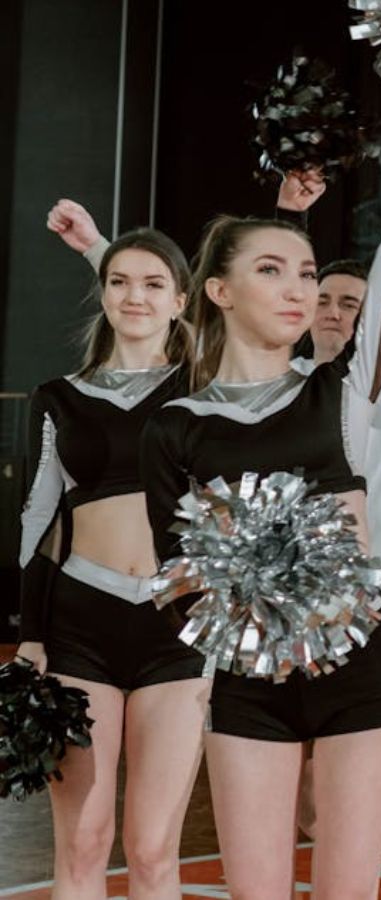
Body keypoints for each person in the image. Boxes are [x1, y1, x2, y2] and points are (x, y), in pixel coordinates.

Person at [138, 51, 381, 898]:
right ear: (215, 290)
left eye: (309, 275)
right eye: (271, 272)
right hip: (247, 685)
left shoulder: (344, 390)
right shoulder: (175, 425)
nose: (300, 291)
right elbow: (180, 584)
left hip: (362, 668)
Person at [18, 222, 206, 897]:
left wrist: (101, 245)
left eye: (155, 285)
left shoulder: (206, 388)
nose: (136, 297)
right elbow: (39, 523)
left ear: (182, 300)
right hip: (78, 629)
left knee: (153, 850)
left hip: (175, 627)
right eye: (120, 282)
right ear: (102, 294)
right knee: (84, 844)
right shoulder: (58, 396)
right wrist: (31, 636)